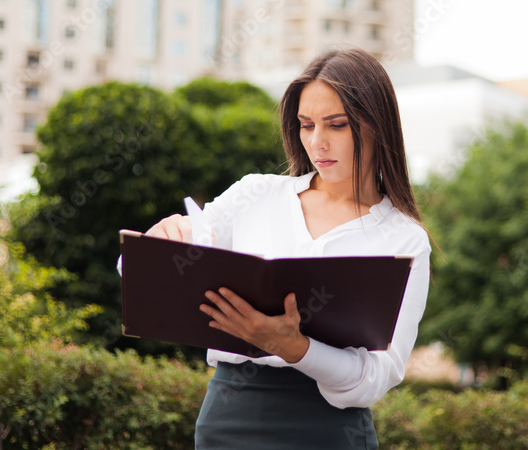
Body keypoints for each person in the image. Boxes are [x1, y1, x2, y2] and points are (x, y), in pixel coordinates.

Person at [143, 47, 431, 449]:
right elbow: (142, 276)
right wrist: (164, 239)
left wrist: (296, 348)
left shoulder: (404, 239)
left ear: (376, 126)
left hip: (330, 431)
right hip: (228, 421)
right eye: (306, 125)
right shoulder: (256, 194)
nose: (317, 142)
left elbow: (377, 377)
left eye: (337, 125)